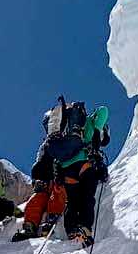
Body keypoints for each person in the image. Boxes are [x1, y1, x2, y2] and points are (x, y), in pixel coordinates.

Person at [19, 102, 111, 244]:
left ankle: (71, 231)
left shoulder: (63, 133)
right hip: (84, 163)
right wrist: (97, 129)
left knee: (73, 202)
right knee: (87, 197)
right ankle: (85, 229)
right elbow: (103, 110)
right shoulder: (89, 122)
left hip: (66, 168)